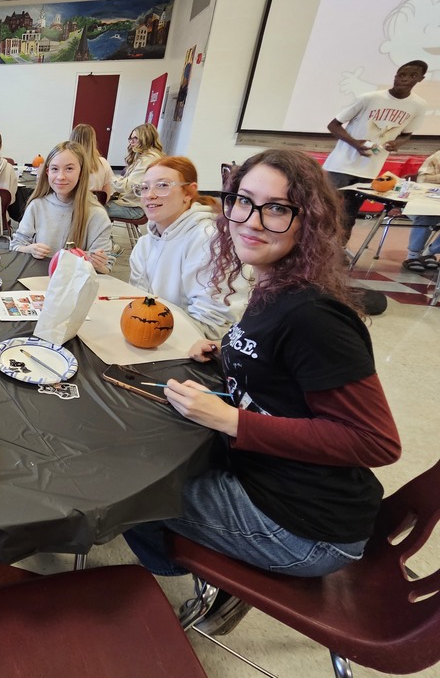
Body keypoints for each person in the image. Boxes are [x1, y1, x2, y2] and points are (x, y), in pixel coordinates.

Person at [124, 149, 400, 634]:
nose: (251, 220)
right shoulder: (274, 285)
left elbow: (374, 442)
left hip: (306, 530)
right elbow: (283, 376)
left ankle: (224, 577)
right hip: (274, 486)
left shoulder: (312, 316)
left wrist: (233, 420)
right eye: (243, 201)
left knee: (126, 489)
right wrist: (230, 353)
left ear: (308, 221)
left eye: (276, 208)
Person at [128, 156, 249, 339]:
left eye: (162, 185)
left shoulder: (210, 241)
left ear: (189, 193)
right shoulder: (144, 245)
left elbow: (213, 326)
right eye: (144, 187)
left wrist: (151, 330)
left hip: (196, 350)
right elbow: (136, 303)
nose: (150, 195)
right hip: (156, 339)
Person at [323, 60, 428, 242]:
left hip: (369, 168)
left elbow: (407, 134)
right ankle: (309, 248)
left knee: (350, 213)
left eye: (412, 76)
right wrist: (355, 143)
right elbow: (333, 125)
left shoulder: (418, 105)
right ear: (395, 76)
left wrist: (398, 144)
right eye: (401, 74)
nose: (404, 79)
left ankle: (338, 250)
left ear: (420, 79)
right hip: (340, 165)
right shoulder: (370, 98)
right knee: (324, 207)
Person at [10, 141, 113, 272]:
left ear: (81, 172)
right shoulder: (37, 206)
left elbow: (106, 268)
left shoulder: (97, 214)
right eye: (54, 169)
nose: (60, 176)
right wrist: (30, 249)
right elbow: (15, 245)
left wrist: (99, 264)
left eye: (69, 169)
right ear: (47, 172)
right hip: (38, 280)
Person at [107, 123, 164, 220]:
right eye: (130, 139)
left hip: (135, 208)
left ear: (145, 139)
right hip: (134, 204)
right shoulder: (147, 156)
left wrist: (108, 177)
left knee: (92, 210)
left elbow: (127, 187)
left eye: (135, 139)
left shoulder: (148, 159)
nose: (131, 142)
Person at [403, 148, 440, 271]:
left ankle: (430, 252)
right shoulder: (436, 157)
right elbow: (422, 179)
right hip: (426, 201)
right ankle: (413, 255)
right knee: (428, 215)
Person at [69, 123, 115, 197]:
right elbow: (107, 194)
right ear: (93, 141)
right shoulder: (103, 162)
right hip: (96, 204)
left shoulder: (66, 163)